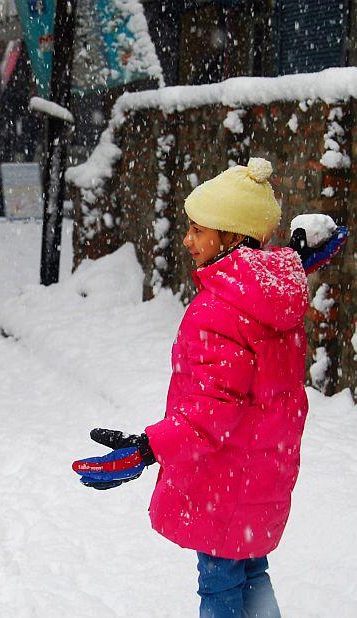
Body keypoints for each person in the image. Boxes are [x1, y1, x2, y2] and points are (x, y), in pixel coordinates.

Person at [75, 158, 311, 617]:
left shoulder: (220, 310)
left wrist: (144, 449)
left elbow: (209, 414)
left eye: (199, 230)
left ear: (231, 236)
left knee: (219, 587)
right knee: (252, 573)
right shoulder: (276, 292)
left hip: (223, 480)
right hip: (260, 476)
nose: (188, 240)